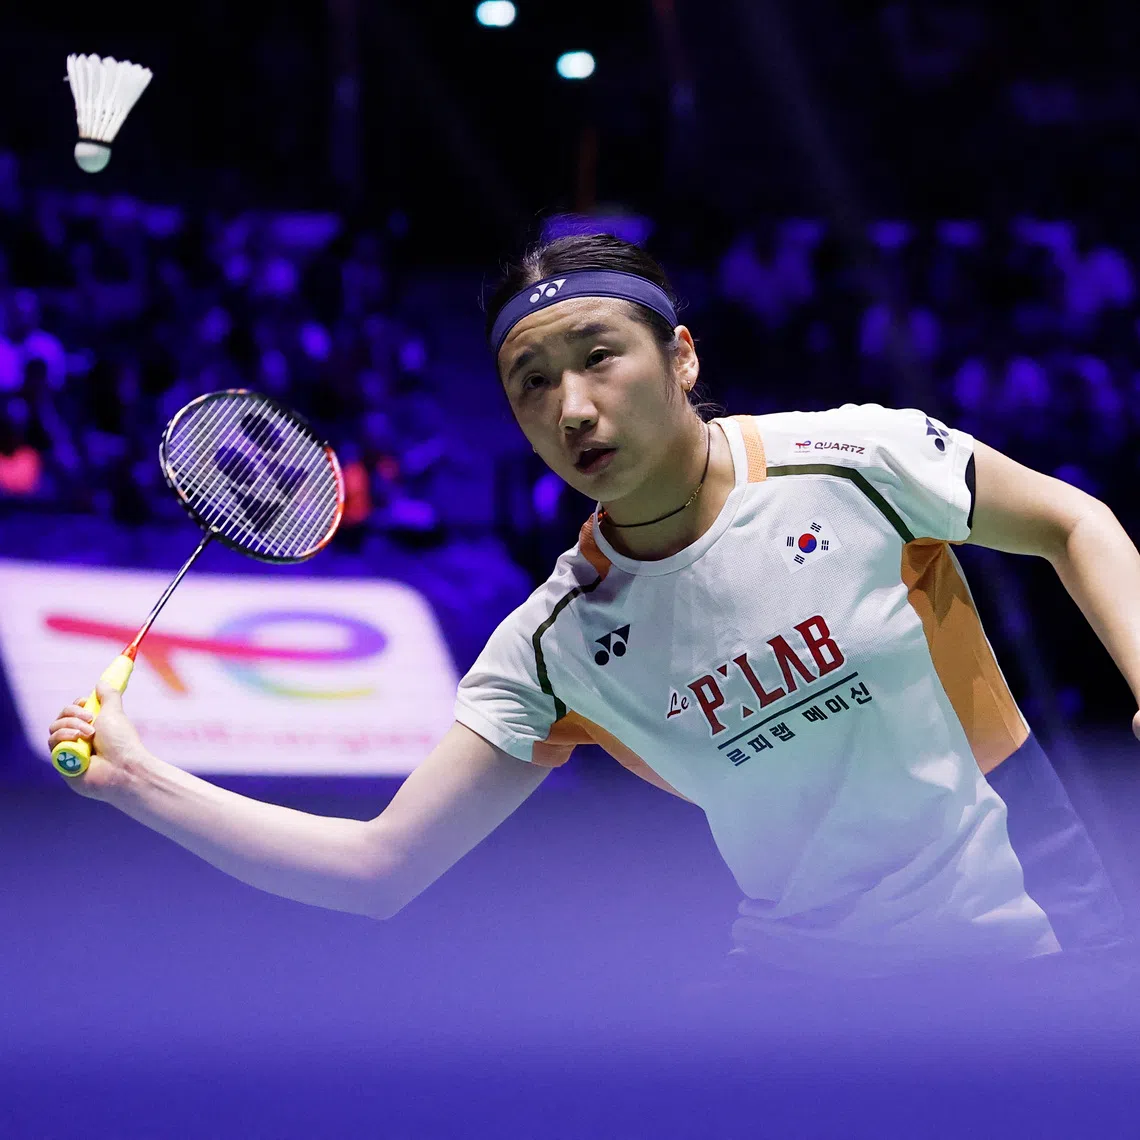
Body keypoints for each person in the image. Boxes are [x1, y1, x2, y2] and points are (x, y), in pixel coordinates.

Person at [47, 234, 1137, 981]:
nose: (571, 407)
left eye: (599, 358)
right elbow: (379, 868)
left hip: (1033, 946)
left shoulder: (854, 460)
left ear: (681, 357)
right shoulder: (554, 647)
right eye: (531, 381)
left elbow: (1073, 523)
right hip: (802, 996)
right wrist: (138, 779)